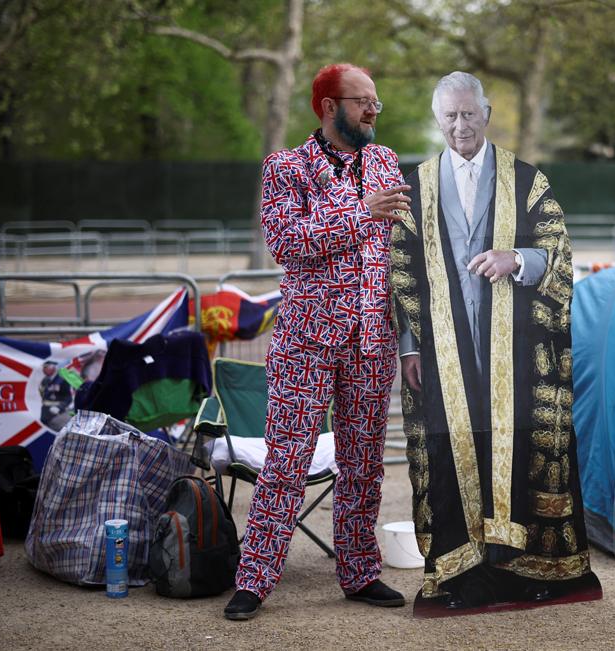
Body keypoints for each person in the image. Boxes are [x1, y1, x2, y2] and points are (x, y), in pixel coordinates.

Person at [390, 71, 601, 613]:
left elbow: (559, 252)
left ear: (486, 113)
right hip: (444, 353)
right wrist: (409, 346)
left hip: (521, 351)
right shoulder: (413, 186)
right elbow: (402, 272)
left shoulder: (527, 180)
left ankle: (537, 573)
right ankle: (461, 576)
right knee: (452, 444)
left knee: (524, 447)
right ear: (438, 119)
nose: (460, 125)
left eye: (469, 113)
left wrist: (520, 259)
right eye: (450, 116)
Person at [224, 63, 411, 621]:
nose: (373, 110)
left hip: (372, 341)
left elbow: (400, 248)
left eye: (375, 101)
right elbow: (285, 243)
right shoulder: (285, 167)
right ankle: (254, 579)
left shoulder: (385, 161)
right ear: (329, 107)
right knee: (285, 462)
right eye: (361, 102)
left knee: (364, 464)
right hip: (306, 342)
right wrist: (360, 213)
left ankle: (358, 573)